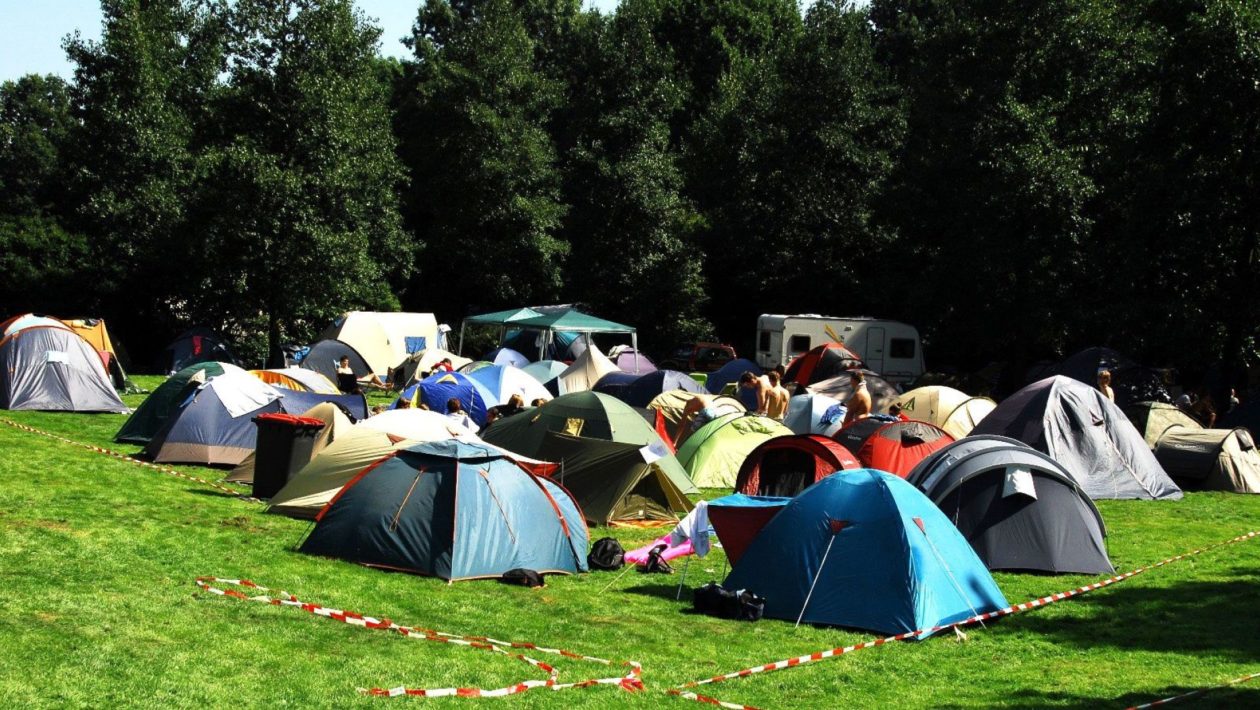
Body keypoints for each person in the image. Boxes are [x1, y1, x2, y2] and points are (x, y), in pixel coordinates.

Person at [675, 393, 742, 447]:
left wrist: (675, 442)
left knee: (692, 432)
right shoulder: (701, 397)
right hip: (716, 412)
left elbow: (681, 425)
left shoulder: (687, 406)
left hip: (705, 412)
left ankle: (683, 448)